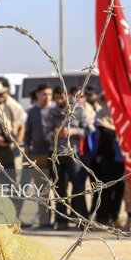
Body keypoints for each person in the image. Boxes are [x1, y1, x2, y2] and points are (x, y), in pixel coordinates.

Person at [47, 86, 90, 230]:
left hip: (74, 154)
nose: (59, 100)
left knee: (78, 187)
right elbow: (45, 133)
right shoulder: (52, 112)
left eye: (62, 97)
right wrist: (55, 133)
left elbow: (87, 130)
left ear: (68, 96)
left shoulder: (78, 110)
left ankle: (82, 220)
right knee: (59, 189)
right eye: (57, 98)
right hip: (56, 155)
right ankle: (62, 220)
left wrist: (73, 131)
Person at [19, 84, 55, 227]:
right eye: (44, 94)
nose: (47, 97)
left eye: (49, 94)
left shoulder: (55, 111)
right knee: (42, 189)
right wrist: (27, 147)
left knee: (60, 188)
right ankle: (45, 220)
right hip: (38, 154)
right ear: (38, 95)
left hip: (54, 153)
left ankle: (61, 220)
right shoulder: (32, 112)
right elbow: (28, 132)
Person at [90, 94, 124, 227]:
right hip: (105, 159)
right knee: (105, 187)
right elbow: (102, 136)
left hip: (120, 158)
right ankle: (103, 216)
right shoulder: (100, 116)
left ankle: (115, 216)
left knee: (119, 187)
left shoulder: (122, 115)